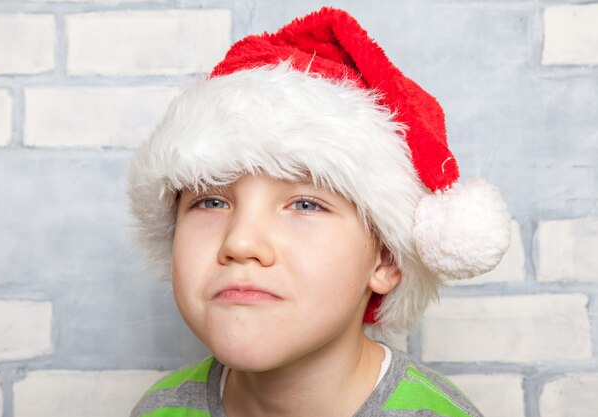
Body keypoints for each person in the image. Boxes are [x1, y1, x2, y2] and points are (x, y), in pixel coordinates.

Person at [127, 7, 511, 417]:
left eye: (305, 204)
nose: (240, 242)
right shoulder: (159, 408)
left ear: (384, 258)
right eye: (211, 201)